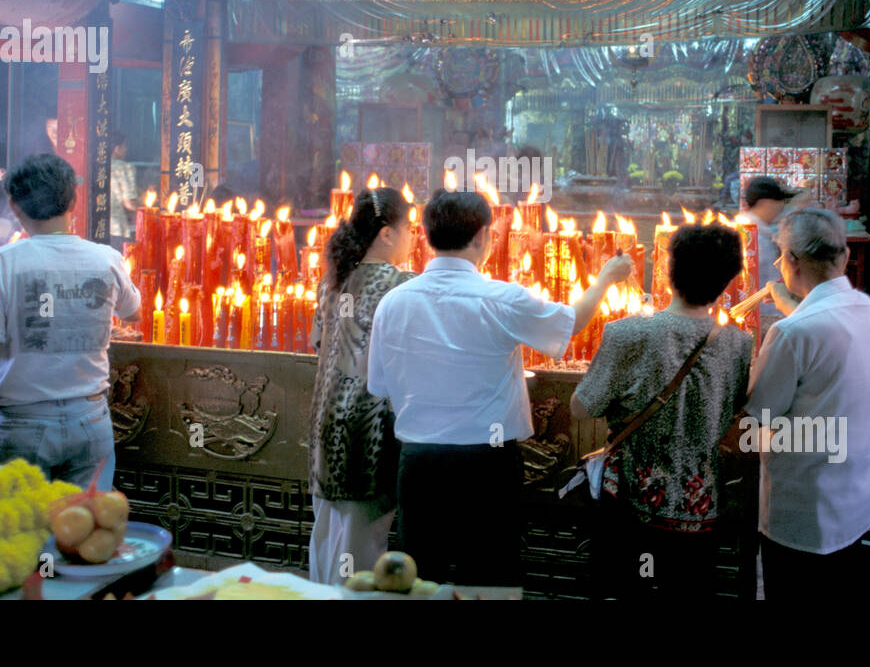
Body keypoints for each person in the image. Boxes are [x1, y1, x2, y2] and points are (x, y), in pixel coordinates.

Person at [367, 189, 634, 586]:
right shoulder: (499, 298)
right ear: (482, 237)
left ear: (426, 235)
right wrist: (604, 280)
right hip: (486, 466)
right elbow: (571, 322)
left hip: (419, 464)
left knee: (419, 577)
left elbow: (380, 385)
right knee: (489, 575)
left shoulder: (393, 302)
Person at [570, 222, 753, 596]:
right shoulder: (739, 345)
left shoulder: (628, 333)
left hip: (632, 505)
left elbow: (580, 407)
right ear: (728, 280)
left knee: (628, 590)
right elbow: (736, 408)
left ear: (668, 271)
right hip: (700, 509)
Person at [0, 154, 141, 488]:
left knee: (22, 534)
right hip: (90, 420)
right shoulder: (107, 259)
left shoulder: (5, 265)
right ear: (74, 200)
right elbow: (135, 312)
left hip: (21, 426)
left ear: (13, 205)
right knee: (86, 532)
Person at [747, 207, 870, 599]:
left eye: (780, 255)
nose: (777, 264)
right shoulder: (866, 311)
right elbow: (826, 337)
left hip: (803, 511)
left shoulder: (791, 333)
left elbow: (760, 413)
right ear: (840, 256)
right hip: (854, 500)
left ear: (791, 260)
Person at [307, 187, 416, 585]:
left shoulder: (332, 280)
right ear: (387, 233)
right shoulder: (403, 285)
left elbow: (319, 342)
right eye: (409, 228)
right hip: (367, 429)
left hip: (324, 421)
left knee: (326, 537)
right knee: (362, 548)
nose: (413, 237)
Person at [742, 175, 805, 328]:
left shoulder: (760, 229)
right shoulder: (751, 236)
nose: (781, 207)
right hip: (761, 318)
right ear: (766, 202)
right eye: (779, 202)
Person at [109, 133, 139, 250]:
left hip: (96, 230)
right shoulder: (124, 167)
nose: (126, 150)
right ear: (117, 148)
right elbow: (129, 203)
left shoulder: (96, 166)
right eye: (124, 146)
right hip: (117, 229)